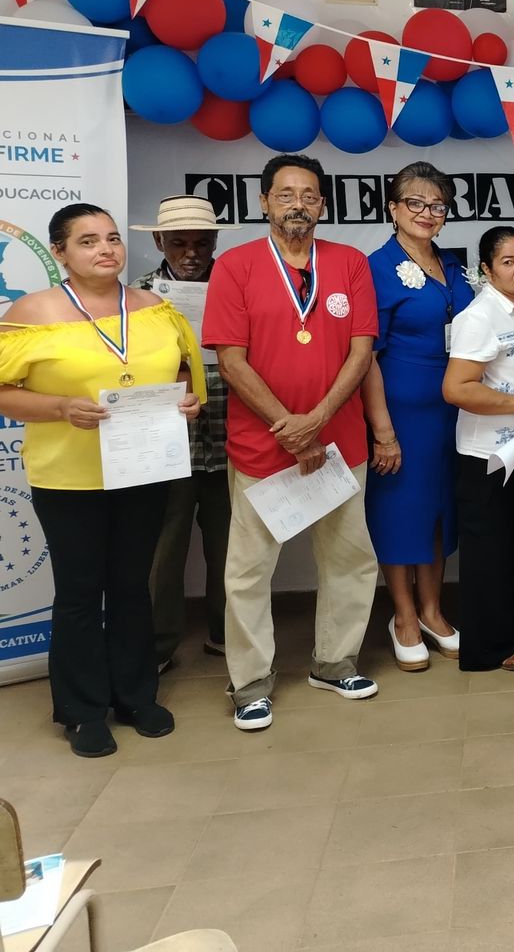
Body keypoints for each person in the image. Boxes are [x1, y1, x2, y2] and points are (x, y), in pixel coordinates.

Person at [0, 204, 202, 757]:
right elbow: (2, 391)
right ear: (60, 253)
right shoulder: (32, 312)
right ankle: (82, 710)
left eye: (112, 238)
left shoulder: (154, 308)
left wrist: (182, 403)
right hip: (71, 477)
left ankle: (136, 696)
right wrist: (61, 406)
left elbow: (181, 373)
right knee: (80, 593)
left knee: (133, 585)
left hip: (144, 469)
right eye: (87, 241)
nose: (105, 249)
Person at [203, 153, 382, 732]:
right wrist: (290, 425)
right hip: (264, 447)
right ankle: (250, 681)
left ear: (323, 204)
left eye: (308, 195)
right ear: (264, 203)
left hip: (340, 444)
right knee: (250, 569)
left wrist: (320, 418)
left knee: (351, 559)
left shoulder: (350, 263)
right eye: (285, 195)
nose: (297, 204)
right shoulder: (235, 266)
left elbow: (361, 351)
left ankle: (335, 661)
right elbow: (231, 360)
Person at [362, 163, 474, 672]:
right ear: (393, 208)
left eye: (438, 205)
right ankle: (403, 616)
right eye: (416, 203)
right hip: (402, 416)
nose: (428, 213)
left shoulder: (453, 265)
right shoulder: (377, 267)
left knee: (439, 512)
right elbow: (365, 356)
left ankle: (432, 609)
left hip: (455, 413)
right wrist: (382, 431)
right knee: (400, 514)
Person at [130, 195, 237, 673]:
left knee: (233, 548)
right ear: (159, 241)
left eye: (201, 242)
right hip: (166, 447)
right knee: (161, 553)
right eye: (179, 243)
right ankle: (155, 647)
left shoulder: (238, 288)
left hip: (232, 439)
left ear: (215, 241)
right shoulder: (137, 298)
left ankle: (226, 632)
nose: (191, 253)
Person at [443, 227, 514, 672]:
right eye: (508, 261)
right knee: (491, 552)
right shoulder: (480, 316)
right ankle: (490, 645)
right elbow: (456, 388)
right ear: (486, 271)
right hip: (489, 455)